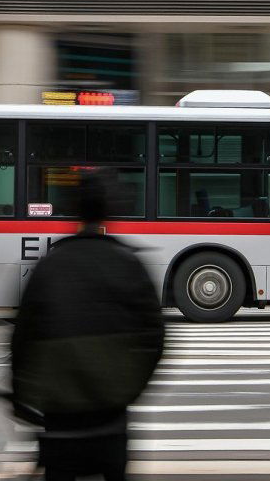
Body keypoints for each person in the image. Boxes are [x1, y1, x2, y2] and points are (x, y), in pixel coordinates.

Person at [11, 170, 165, 481]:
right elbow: (155, 337)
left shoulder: (50, 265)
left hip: (59, 421)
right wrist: (129, 389)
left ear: (73, 209)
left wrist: (22, 398)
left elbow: (21, 338)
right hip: (111, 418)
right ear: (110, 210)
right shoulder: (128, 263)